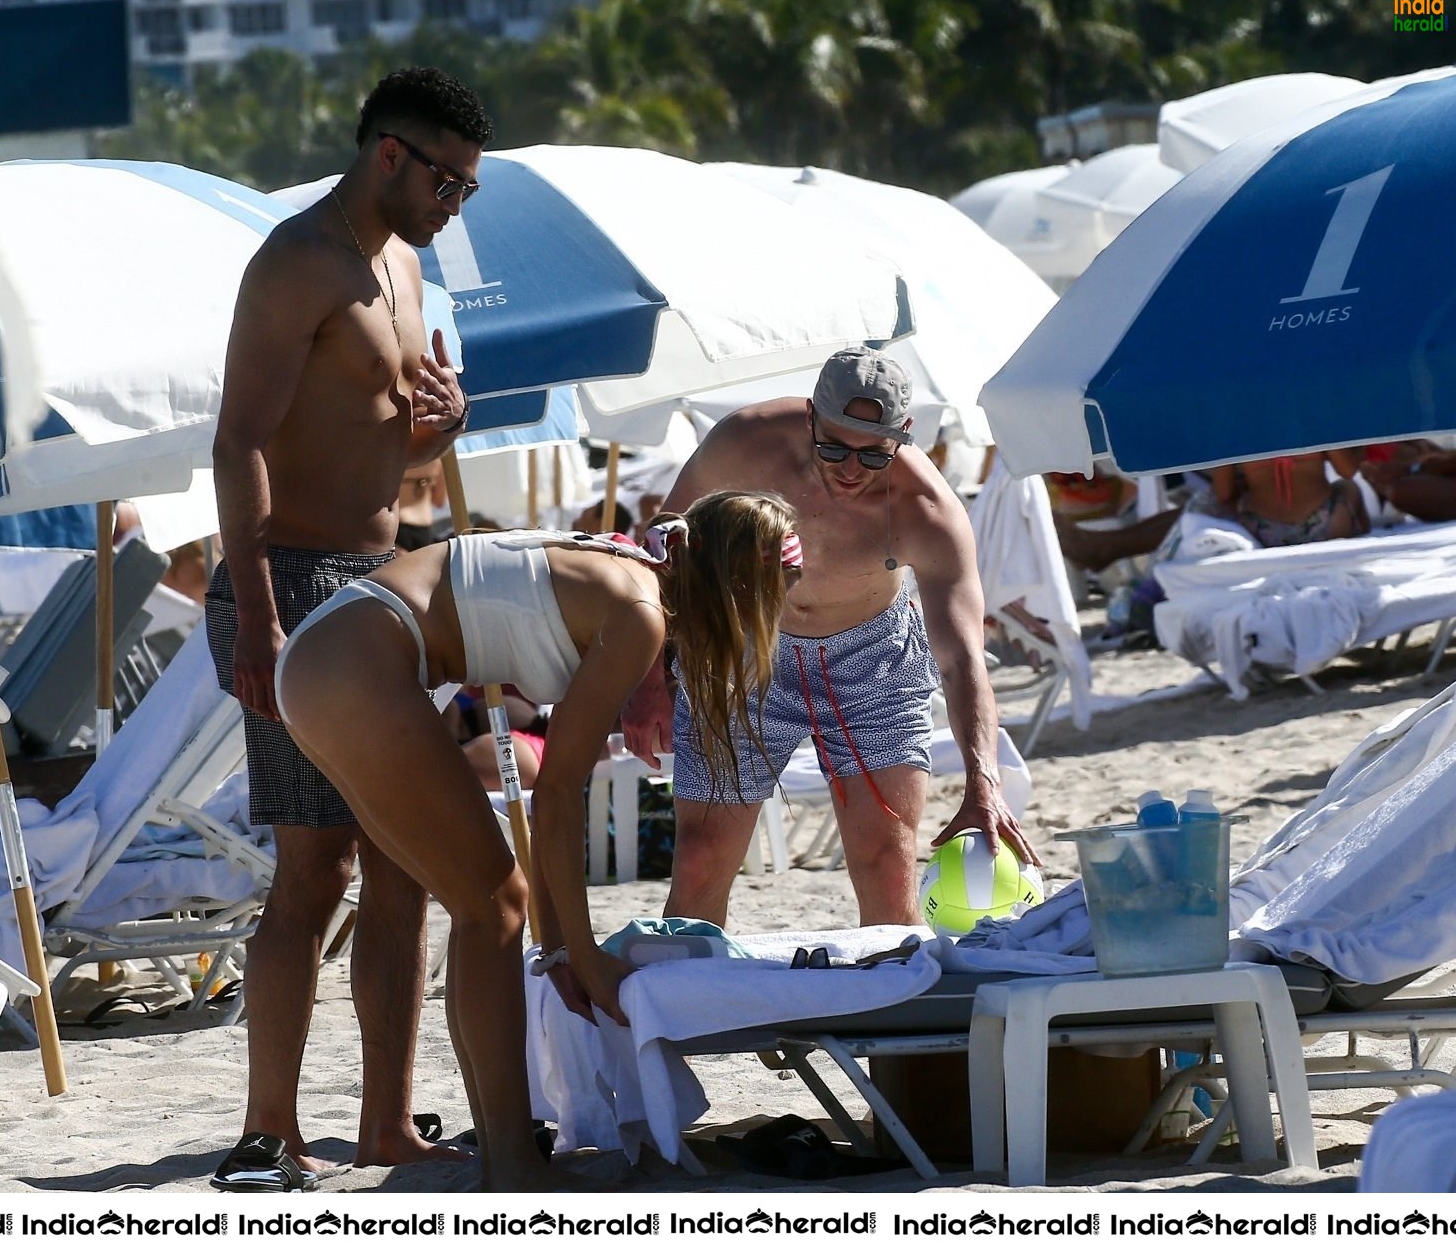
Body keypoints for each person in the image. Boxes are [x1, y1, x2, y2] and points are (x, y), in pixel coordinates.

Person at [272, 490, 803, 1190]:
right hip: (355, 658)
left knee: (471, 899)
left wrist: (559, 947)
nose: (778, 616)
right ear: (739, 584)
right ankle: (512, 1162)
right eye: (775, 595)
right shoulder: (640, 612)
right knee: (494, 904)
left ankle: (474, 1144)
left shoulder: (632, 578)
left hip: (337, 654)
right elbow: (556, 797)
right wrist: (578, 954)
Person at [206, 66, 493, 1190]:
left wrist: (441, 432)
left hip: (380, 574)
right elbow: (238, 444)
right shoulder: (296, 263)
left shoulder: (404, 265)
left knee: (402, 862)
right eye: (449, 182)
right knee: (311, 867)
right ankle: (268, 1127)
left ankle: (385, 1125)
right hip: (293, 580)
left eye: (467, 189)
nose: (454, 205)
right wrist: (259, 619)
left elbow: (382, 451)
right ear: (390, 154)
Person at [623, 349, 1038, 928]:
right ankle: (691, 1008)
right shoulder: (747, 443)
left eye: (874, 453)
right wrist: (649, 681)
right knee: (700, 859)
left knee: (884, 863)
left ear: (904, 435)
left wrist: (983, 782)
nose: (850, 468)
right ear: (811, 418)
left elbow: (964, 657)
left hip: (872, 660)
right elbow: (659, 553)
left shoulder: (927, 510)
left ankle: (893, 1002)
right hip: (747, 648)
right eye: (834, 446)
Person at [1212, 450, 1366, 548]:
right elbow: (1348, 471)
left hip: (1262, 531)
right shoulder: (1312, 419)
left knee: (1230, 502)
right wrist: (1360, 448)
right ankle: (1364, 538)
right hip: (1326, 525)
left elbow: (1223, 493)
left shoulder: (1236, 429)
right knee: (1348, 487)